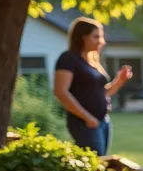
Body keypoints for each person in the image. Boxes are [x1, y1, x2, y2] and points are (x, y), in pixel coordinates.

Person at [53, 17, 132, 155]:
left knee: (102, 165)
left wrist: (119, 81)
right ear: (83, 37)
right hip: (84, 123)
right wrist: (87, 118)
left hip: (102, 121)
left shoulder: (92, 62)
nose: (101, 41)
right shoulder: (68, 59)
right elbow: (61, 92)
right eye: (96, 37)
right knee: (95, 165)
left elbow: (103, 93)